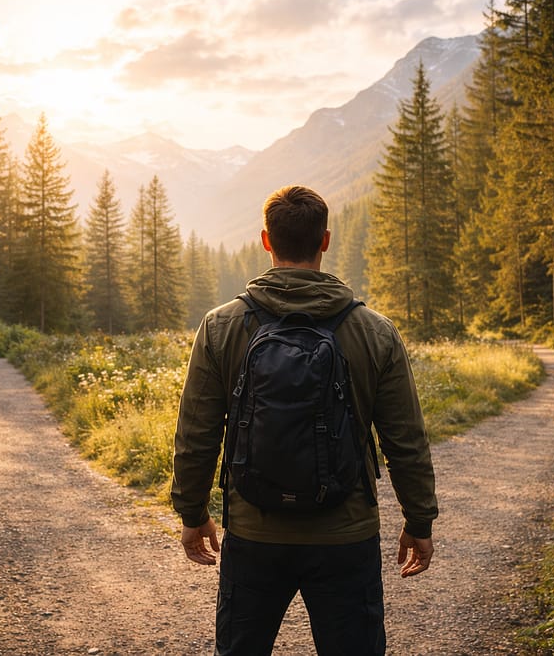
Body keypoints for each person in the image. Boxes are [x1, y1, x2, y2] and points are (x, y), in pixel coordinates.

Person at [171, 185, 438, 655]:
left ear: (266, 241)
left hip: (254, 534)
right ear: (326, 241)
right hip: (345, 535)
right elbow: (406, 441)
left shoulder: (220, 326)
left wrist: (192, 513)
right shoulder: (374, 331)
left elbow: (197, 435)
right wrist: (419, 520)